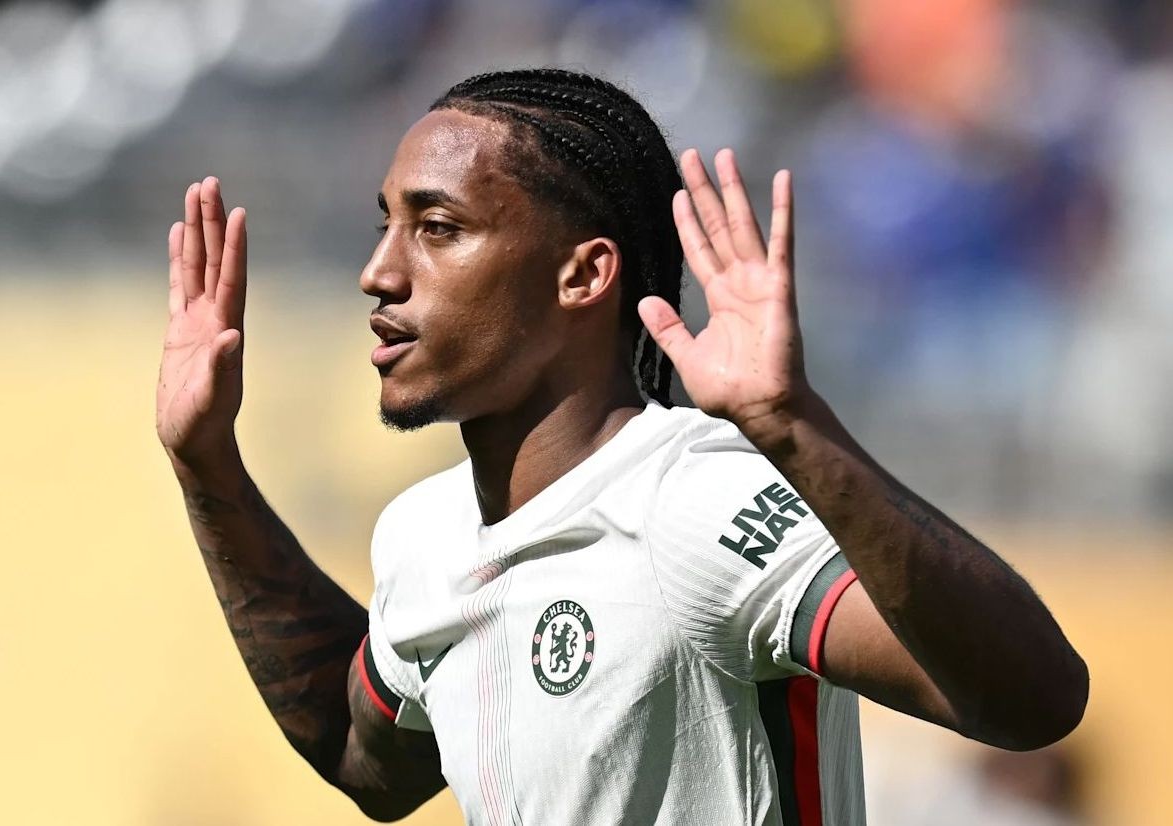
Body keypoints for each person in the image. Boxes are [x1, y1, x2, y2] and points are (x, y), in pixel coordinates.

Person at [154, 69, 1088, 825]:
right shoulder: (422, 534)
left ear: (582, 275)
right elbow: (366, 764)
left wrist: (794, 428)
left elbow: (1034, 702)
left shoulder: (691, 500)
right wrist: (207, 465)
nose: (379, 272)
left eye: (437, 229)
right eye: (386, 225)